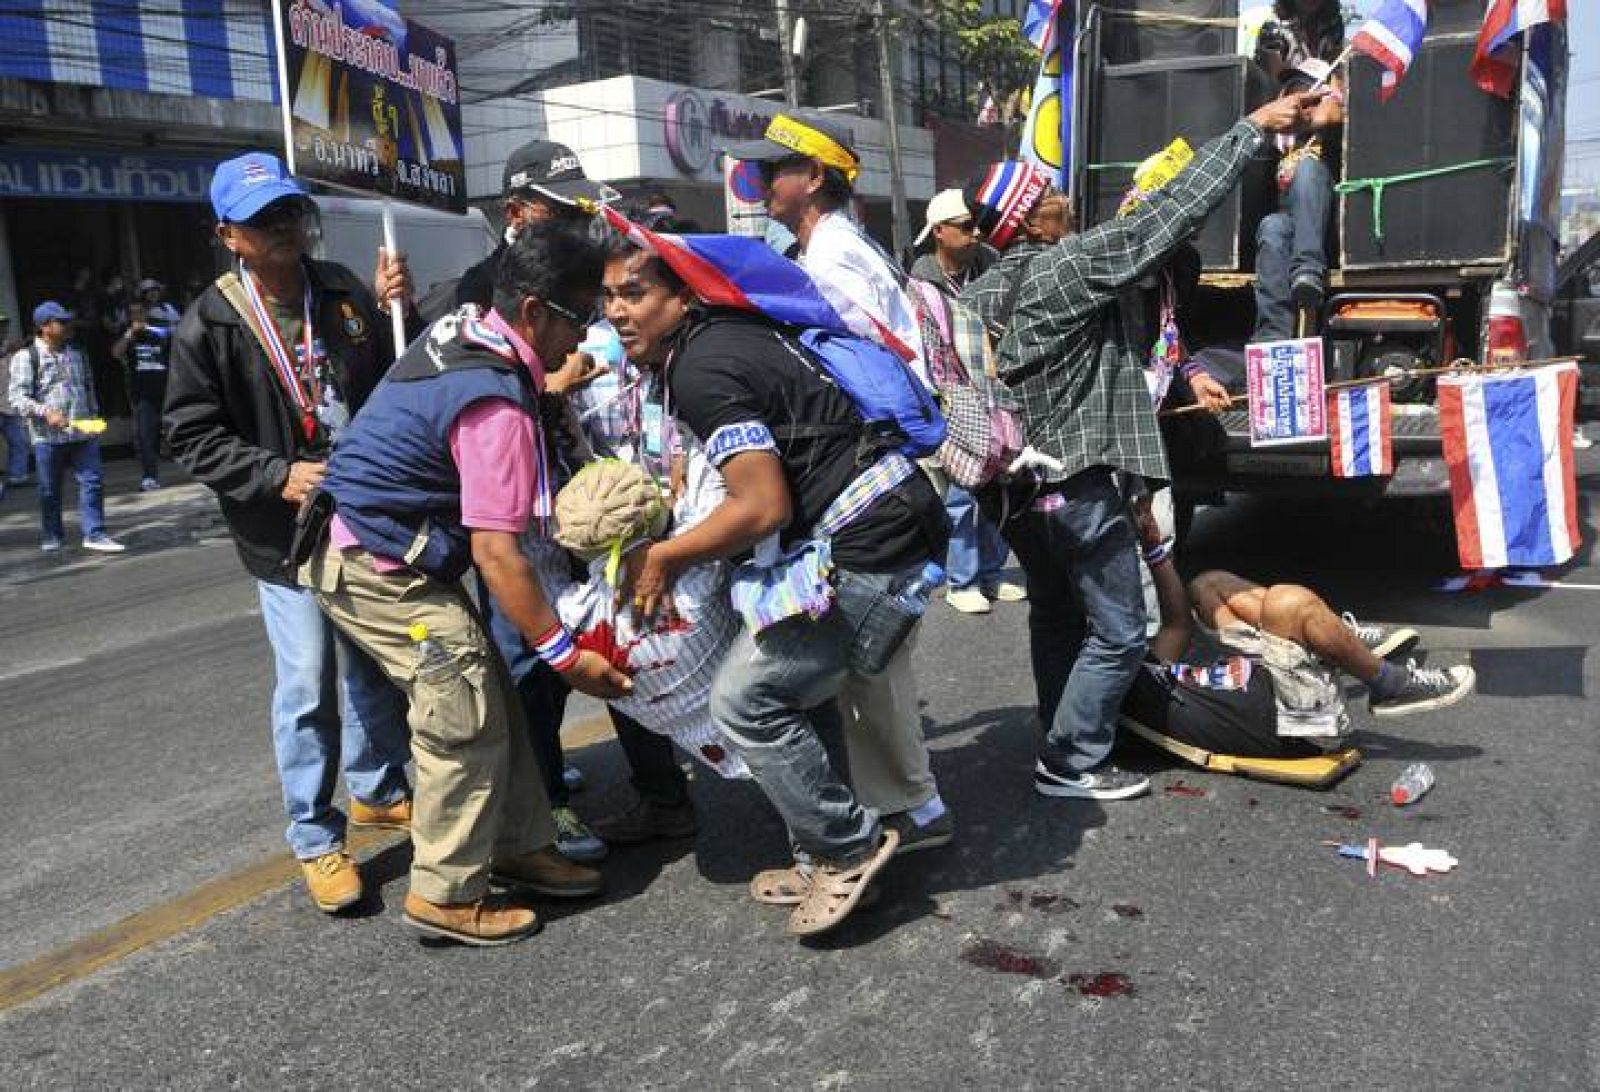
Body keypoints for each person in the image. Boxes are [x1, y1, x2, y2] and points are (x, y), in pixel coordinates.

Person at [955, 95, 1315, 803]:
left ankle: (1061, 735)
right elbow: (1168, 214)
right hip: (1080, 487)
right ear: (1031, 219)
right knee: (1121, 631)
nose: (1065, 202)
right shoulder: (1063, 270)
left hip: (1020, 497)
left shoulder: (981, 291)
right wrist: (1250, 130)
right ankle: (1071, 757)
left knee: (1056, 614)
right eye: (1053, 195)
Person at [602, 233, 947, 937]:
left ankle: (848, 849)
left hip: (873, 541)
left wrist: (665, 557)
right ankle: (822, 848)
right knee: (798, 688)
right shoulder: (730, 335)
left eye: (634, 293)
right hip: (884, 520)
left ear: (683, 294)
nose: (616, 311)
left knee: (747, 699)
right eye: (608, 297)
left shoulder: (701, 367)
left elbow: (762, 506)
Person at [305, 220, 627, 947]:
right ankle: (446, 891)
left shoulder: (472, 330)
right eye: (579, 321)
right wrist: (567, 654)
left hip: (386, 545)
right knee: (460, 705)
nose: (580, 343)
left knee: (491, 695)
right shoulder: (493, 401)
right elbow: (498, 554)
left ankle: (515, 844)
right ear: (535, 311)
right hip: (370, 559)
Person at [164, 152, 415, 914]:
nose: (284, 230)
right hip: (285, 536)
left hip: (358, 516)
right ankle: (315, 837)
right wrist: (276, 474)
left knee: (370, 664)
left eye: (290, 213)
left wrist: (394, 310)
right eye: (264, 220)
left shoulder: (339, 289)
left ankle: (375, 787)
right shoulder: (207, 324)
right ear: (229, 235)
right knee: (307, 684)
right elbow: (188, 434)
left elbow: (384, 378)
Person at [727, 113, 954, 852]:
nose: (762, 183)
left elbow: (845, 377)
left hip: (879, 469)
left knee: (872, 650)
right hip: (880, 467)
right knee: (868, 650)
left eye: (774, 171)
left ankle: (913, 809)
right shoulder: (829, 247)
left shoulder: (834, 260)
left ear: (815, 178)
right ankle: (898, 798)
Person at [1126, 498, 1476, 760]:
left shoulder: (1139, 663)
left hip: (1261, 672)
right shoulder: (1122, 689)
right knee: (1286, 602)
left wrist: (1154, 549)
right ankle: (1390, 683)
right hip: (1293, 722)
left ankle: (1335, 636)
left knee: (1208, 586)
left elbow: (1177, 623)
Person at [907, 188, 1021, 616]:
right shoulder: (922, 276)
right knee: (962, 487)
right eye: (965, 227)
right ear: (939, 231)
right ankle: (963, 579)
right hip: (952, 390)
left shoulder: (988, 261)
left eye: (977, 226)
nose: (975, 235)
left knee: (1000, 483)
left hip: (993, 386)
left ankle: (992, 574)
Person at [444, 139, 619, 315]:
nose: (578, 227)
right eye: (564, 213)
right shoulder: (482, 287)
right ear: (516, 213)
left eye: (585, 212)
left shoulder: (600, 273)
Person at [8, 302, 124, 553]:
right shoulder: (27, 357)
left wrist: (93, 417)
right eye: (61, 322)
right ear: (44, 327)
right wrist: (45, 411)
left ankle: (95, 533)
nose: (68, 326)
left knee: (92, 481)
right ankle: (52, 534)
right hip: (48, 436)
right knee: (50, 488)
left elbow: (88, 385)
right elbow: (17, 398)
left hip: (82, 430)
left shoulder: (77, 353)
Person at [1252, 56, 1346, 340]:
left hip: (1323, 232)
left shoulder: (1330, 131)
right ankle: (1273, 334)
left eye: (1304, 89)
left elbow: (1330, 112)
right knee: (1271, 226)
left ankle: (1307, 270)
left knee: (1307, 169)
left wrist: (1311, 109)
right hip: (1291, 232)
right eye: (1292, 89)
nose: (1296, 96)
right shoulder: (1282, 143)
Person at [112, 300, 172, 491]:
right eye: (133, 314)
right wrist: (130, 334)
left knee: (177, 430)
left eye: (140, 313)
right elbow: (115, 353)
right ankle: (150, 476)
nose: (137, 317)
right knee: (146, 436)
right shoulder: (128, 337)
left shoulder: (159, 332)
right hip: (142, 394)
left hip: (166, 389)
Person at [909, 188, 996, 299]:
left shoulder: (994, 265)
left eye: (980, 223)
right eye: (968, 226)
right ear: (938, 230)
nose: (977, 232)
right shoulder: (922, 284)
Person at [0, 311, 32, 490]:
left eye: (4, 325)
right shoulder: (9, 347)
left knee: (20, 441)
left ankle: (17, 477)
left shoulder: (12, 347)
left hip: (10, 404)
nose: (2, 329)